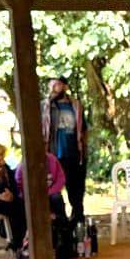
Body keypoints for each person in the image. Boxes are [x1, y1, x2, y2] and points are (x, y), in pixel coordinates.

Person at [41, 76, 88, 222]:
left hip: (73, 155)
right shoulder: (45, 106)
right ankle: (59, 224)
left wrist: (84, 153)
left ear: (65, 87)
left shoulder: (76, 106)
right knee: (54, 192)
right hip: (53, 156)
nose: (54, 88)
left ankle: (77, 223)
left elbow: (84, 130)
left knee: (76, 192)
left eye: (57, 85)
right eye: (51, 85)